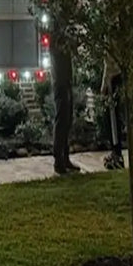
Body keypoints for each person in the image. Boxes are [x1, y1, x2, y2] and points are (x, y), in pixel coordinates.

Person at [51, 38, 80, 175]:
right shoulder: (57, 37)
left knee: (67, 120)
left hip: (66, 81)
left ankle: (65, 157)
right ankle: (58, 160)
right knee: (61, 120)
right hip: (60, 82)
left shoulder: (65, 37)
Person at [101, 56, 125, 170]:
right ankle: (116, 152)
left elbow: (109, 60)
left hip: (114, 76)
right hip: (118, 74)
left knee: (112, 118)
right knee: (114, 117)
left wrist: (105, 80)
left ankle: (117, 154)